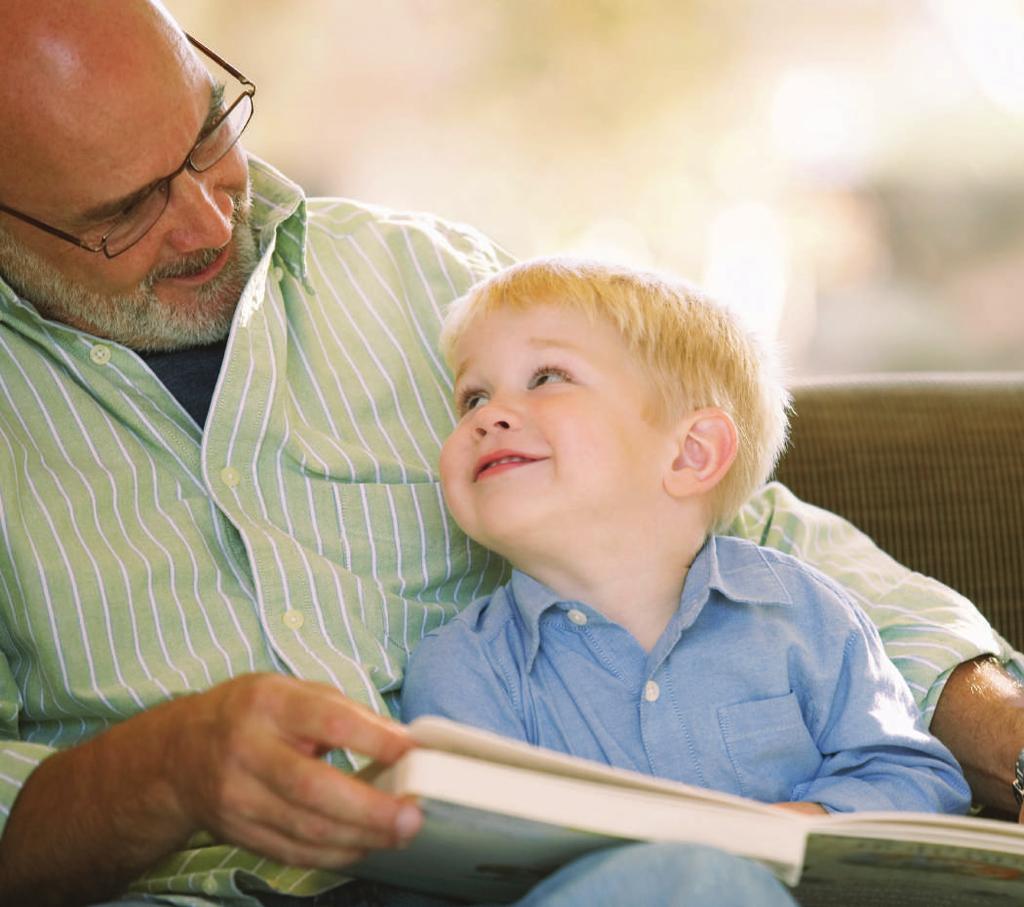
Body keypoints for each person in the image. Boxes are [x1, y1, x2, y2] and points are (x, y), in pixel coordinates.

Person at [0, 1, 1021, 905]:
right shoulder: (471, 668)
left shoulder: (430, 278)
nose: (209, 216)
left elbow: (738, 526)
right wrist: (161, 770)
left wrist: (993, 719)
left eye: (208, 130)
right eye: (124, 213)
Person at [401, 257, 971, 825]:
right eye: (472, 398)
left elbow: (915, 778)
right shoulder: (462, 669)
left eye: (548, 377)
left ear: (690, 453)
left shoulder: (806, 614)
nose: (489, 416)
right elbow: (472, 858)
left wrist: (784, 832)